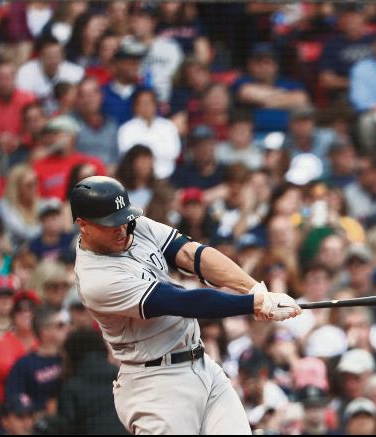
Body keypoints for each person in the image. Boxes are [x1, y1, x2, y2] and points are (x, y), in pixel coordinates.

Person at [69, 175, 302, 434]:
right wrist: (253, 303)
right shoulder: (96, 279)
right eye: (111, 224)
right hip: (156, 386)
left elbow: (192, 254)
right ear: (83, 225)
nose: (121, 228)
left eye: (124, 219)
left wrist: (254, 288)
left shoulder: (134, 226)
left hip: (201, 364)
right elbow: (182, 301)